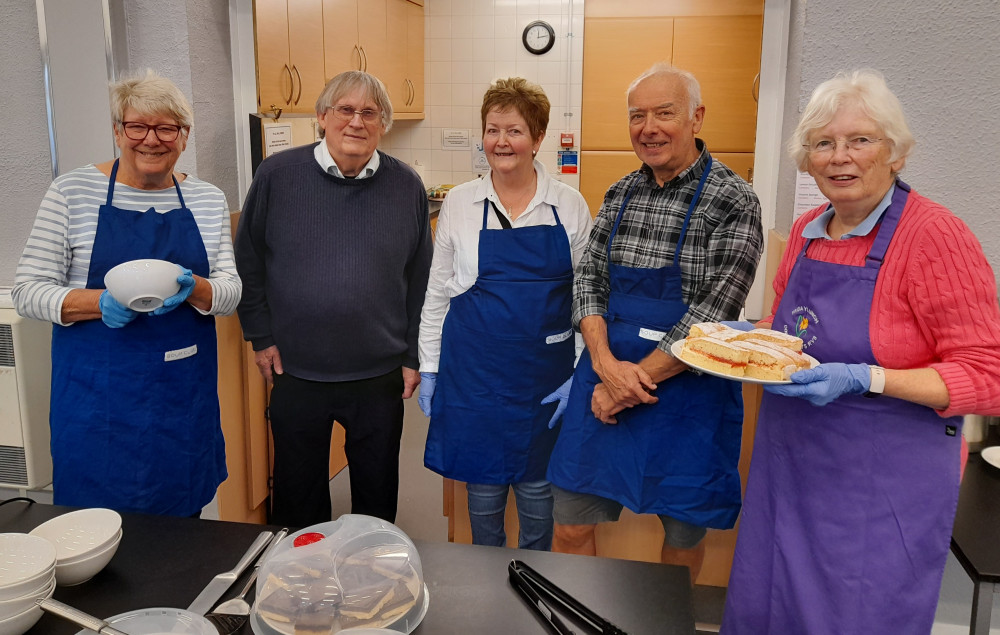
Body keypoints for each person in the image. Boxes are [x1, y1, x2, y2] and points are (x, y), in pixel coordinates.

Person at [721, 70, 1000, 634]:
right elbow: (787, 326)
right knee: (768, 604)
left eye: (860, 140)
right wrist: (747, 338)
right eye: (823, 143)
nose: (839, 157)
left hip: (878, 493)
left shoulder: (934, 237)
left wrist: (866, 377)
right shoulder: (807, 230)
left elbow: (986, 375)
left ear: (895, 153)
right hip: (790, 469)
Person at [545, 63, 763, 580]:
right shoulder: (620, 193)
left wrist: (623, 387)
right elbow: (588, 282)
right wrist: (603, 364)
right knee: (570, 523)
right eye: (637, 116)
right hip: (603, 377)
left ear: (696, 117)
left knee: (683, 538)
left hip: (688, 393)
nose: (650, 128)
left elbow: (714, 312)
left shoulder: (734, 200)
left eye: (665, 113)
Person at [12, 70, 241, 517]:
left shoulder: (207, 198)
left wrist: (193, 287)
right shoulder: (72, 192)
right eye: (137, 126)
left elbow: (231, 293)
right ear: (118, 131)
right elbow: (26, 291)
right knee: (95, 529)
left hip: (181, 400)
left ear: (184, 136)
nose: (151, 140)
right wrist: (100, 303)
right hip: (99, 403)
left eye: (166, 128)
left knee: (180, 535)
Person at [235, 70, 432, 528]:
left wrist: (412, 355)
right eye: (345, 109)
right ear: (322, 117)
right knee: (297, 495)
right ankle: (301, 584)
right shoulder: (277, 176)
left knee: (377, 495)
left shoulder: (406, 187)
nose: (357, 122)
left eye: (370, 113)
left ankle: (372, 579)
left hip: (378, 373)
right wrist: (260, 337)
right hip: (297, 369)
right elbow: (249, 262)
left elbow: (421, 279)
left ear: (383, 123)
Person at [418, 78, 593, 550]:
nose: (501, 141)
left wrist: (580, 370)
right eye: (492, 130)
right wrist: (430, 367)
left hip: (545, 378)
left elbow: (588, 297)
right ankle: (486, 597)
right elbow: (438, 292)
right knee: (483, 491)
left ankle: (536, 593)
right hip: (475, 375)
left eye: (514, 131)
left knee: (539, 492)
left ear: (537, 139)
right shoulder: (458, 203)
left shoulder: (569, 205)